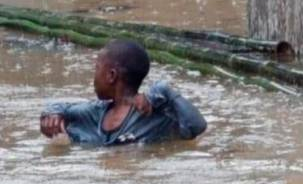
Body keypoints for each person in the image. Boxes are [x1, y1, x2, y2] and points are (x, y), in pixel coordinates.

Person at [40, 40, 207, 145]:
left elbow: (197, 126)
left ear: (111, 76)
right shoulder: (95, 112)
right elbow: (60, 107)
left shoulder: (155, 115)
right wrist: (52, 113)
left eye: (97, 68)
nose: (94, 76)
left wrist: (165, 90)